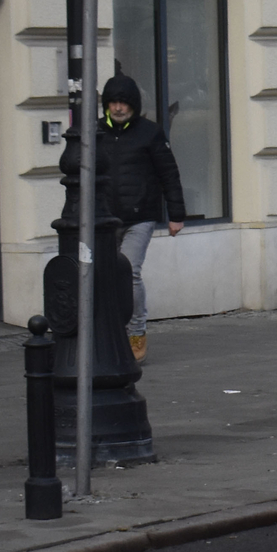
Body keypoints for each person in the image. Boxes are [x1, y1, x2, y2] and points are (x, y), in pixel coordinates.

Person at [61, 72, 185, 364]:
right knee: (100, 275)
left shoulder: (150, 133)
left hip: (139, 216)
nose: (118, 108)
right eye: (113, 102)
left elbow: (169, 173)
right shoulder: (93, 133)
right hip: (103, 219)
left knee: (129, 273)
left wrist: (176, 214)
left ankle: (136, 331)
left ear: (133, 105)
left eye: (123, 103)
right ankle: (108, 332)